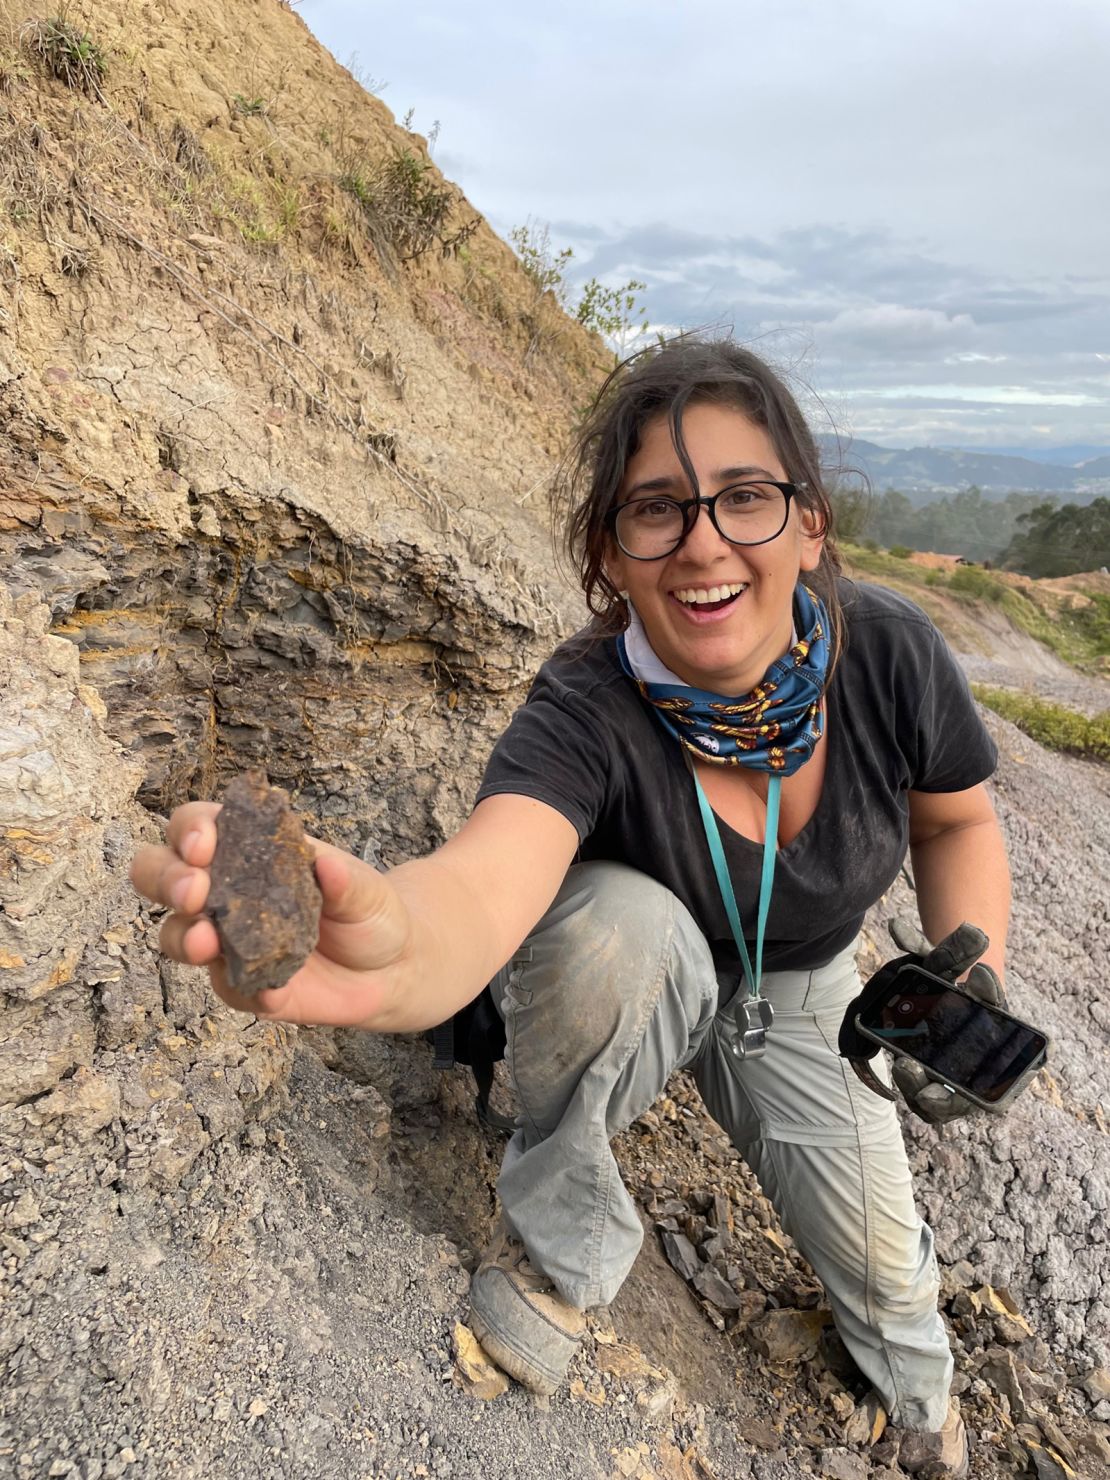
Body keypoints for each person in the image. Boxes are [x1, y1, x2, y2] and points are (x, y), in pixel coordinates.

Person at [131, 338, 1010, 1477]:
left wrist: (963, 965)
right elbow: (482, 882)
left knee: (895, 1288)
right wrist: (391, 943)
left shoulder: (890, 654)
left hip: (802, 985)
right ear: (611, 551)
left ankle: (913, 1380)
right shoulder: (587, 707)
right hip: (640, 965)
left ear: (809, 522)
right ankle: (562, 1246)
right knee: (617, 925)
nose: (704, 542)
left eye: (745, 497)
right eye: (657, 509)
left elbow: (957, 821)